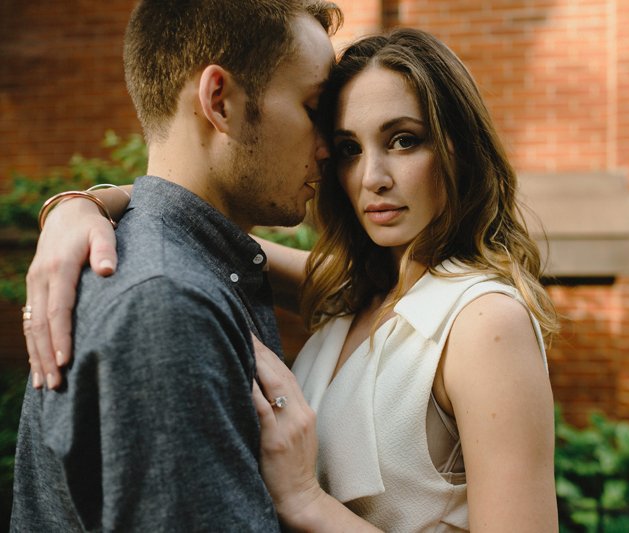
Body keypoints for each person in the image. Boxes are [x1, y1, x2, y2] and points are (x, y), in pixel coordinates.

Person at [23, 28, 560, 532]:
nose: (372, 177)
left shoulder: (485, 322)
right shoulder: (357, 291)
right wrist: (79, 207)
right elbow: (189, 234)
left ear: (457, 148)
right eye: (349, 148)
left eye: (403, 140)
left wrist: (307, 501)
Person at [12, 0, 342, 530]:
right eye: (313, 107)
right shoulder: (167, 305)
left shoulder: (188, 260)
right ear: (220, 101)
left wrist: (84, 200)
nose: (328, 147)